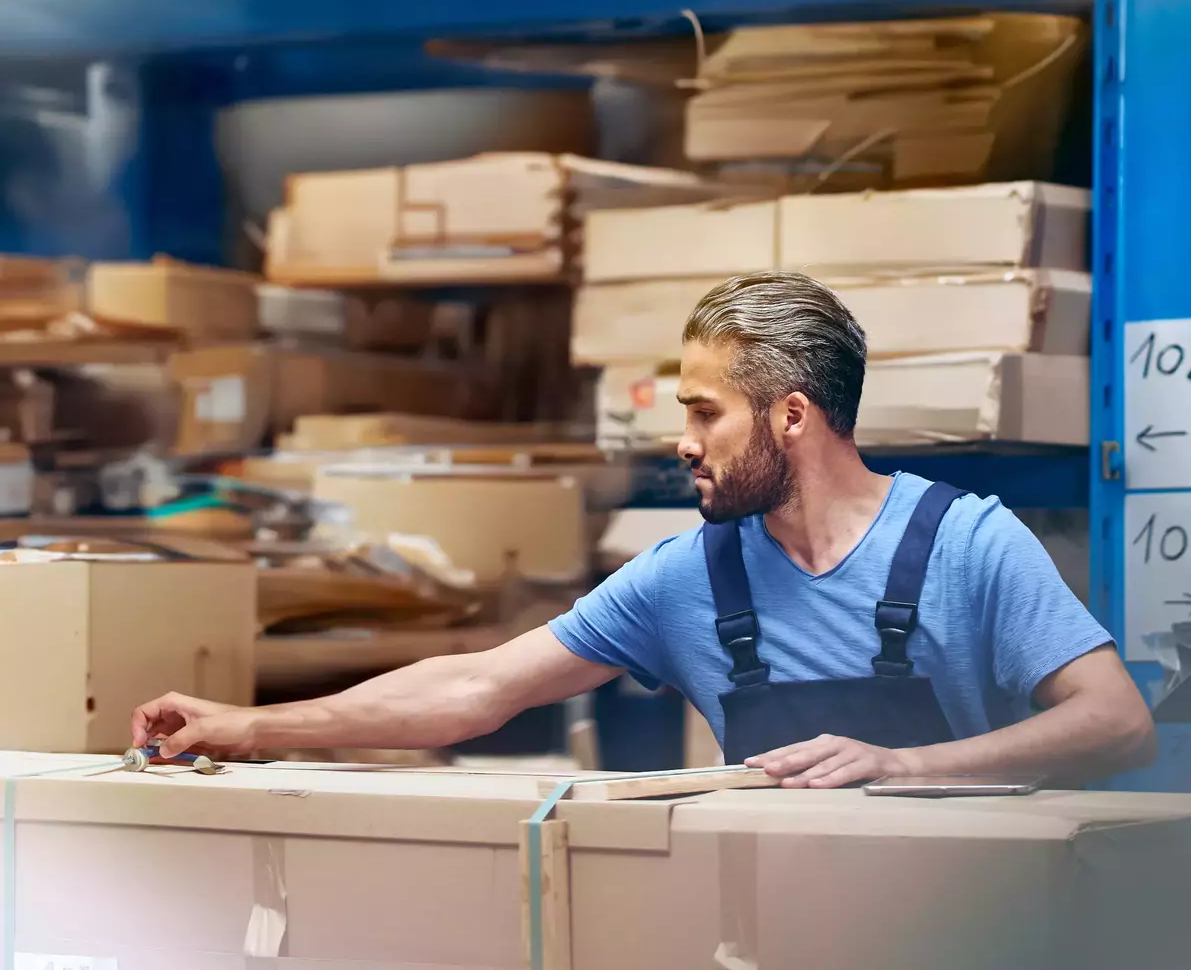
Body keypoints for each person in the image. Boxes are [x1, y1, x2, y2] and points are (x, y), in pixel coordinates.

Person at [132, 271, 1157, 788]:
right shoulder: (688, 580)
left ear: (792, 415)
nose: (683, 441)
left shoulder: (971, 544)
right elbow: (476, 687)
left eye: (705, 411)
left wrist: (905, 766)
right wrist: (251, 725)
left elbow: (1118, 722)